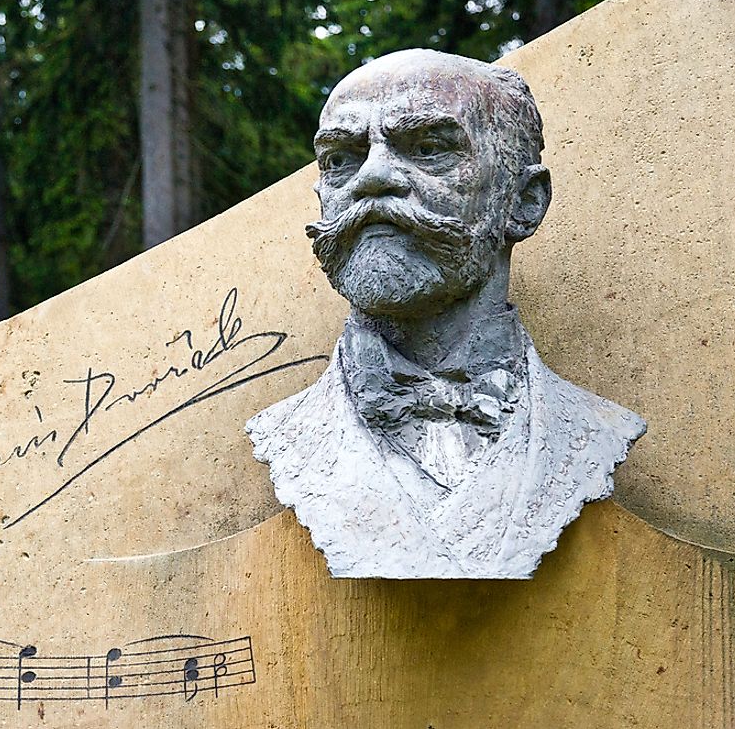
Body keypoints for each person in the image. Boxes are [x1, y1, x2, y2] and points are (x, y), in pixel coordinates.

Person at [246, 49, 646, 579]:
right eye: (341, 158)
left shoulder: (597, 431)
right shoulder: (283, 435)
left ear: (523, 203)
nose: (372, 177)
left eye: (429, 148)